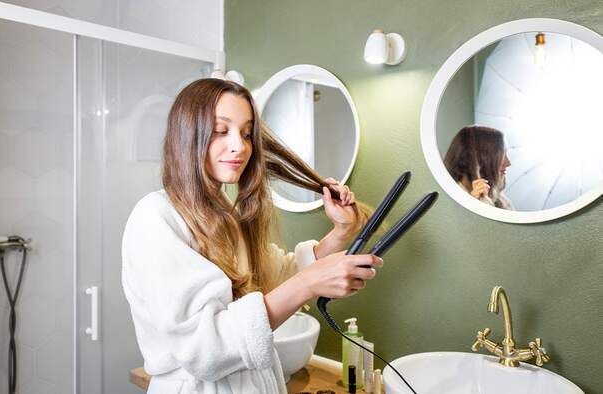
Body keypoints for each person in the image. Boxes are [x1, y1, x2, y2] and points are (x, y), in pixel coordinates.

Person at [121, 78, 383, 393]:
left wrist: (340, 233)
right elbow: (206, 349)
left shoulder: (224, 216)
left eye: (246, 133)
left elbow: (275, 277)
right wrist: (310, 282)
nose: (240, 146)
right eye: (221, 130)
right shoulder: (155, 218)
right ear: (186, 134)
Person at [443, 125, 513, 210]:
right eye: (502, 155)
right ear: (481, 158)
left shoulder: (502, 202)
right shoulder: (447, 203)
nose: (508, 163)